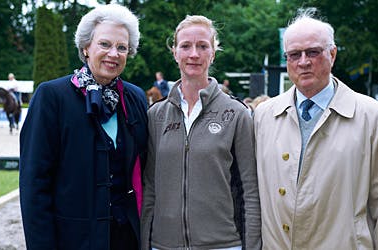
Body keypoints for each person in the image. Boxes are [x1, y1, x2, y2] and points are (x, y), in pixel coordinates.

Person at [253, 8, 378, 249]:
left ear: (332, 54)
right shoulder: (263, 116)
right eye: (294, 54)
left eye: (313, 52)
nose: (303, 62)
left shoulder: (374, 117)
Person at [19, 4, 147, 250]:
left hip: (126, 238)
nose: (114, 53)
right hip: (72, 239)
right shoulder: (52, 97)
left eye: (122, 47)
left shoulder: (135, 97)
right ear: (86, 48)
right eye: (105, 44)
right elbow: (35, 184)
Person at [141, 15, 261, 250]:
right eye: (185, 46)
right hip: (164, 245)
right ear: (175, 52)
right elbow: (150, 188)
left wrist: (252, 245)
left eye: (202, 46)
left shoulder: (236, 113)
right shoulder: (156, 116)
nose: (193, 54)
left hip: (223, 244)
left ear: (213, 53)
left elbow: (250, 190)